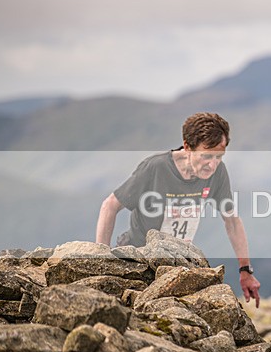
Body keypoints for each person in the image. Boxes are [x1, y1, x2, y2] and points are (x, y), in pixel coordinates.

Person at [96, 112, 261, 307]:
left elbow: (232, 221)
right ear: (187, 146)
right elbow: (110, 205)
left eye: (219, 157)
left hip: (176, 265)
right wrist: (102, 259)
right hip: (136, 261)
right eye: (206, 156)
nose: (213, 164)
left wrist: (245, 270)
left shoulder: (217, 173)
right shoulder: (155, 167)